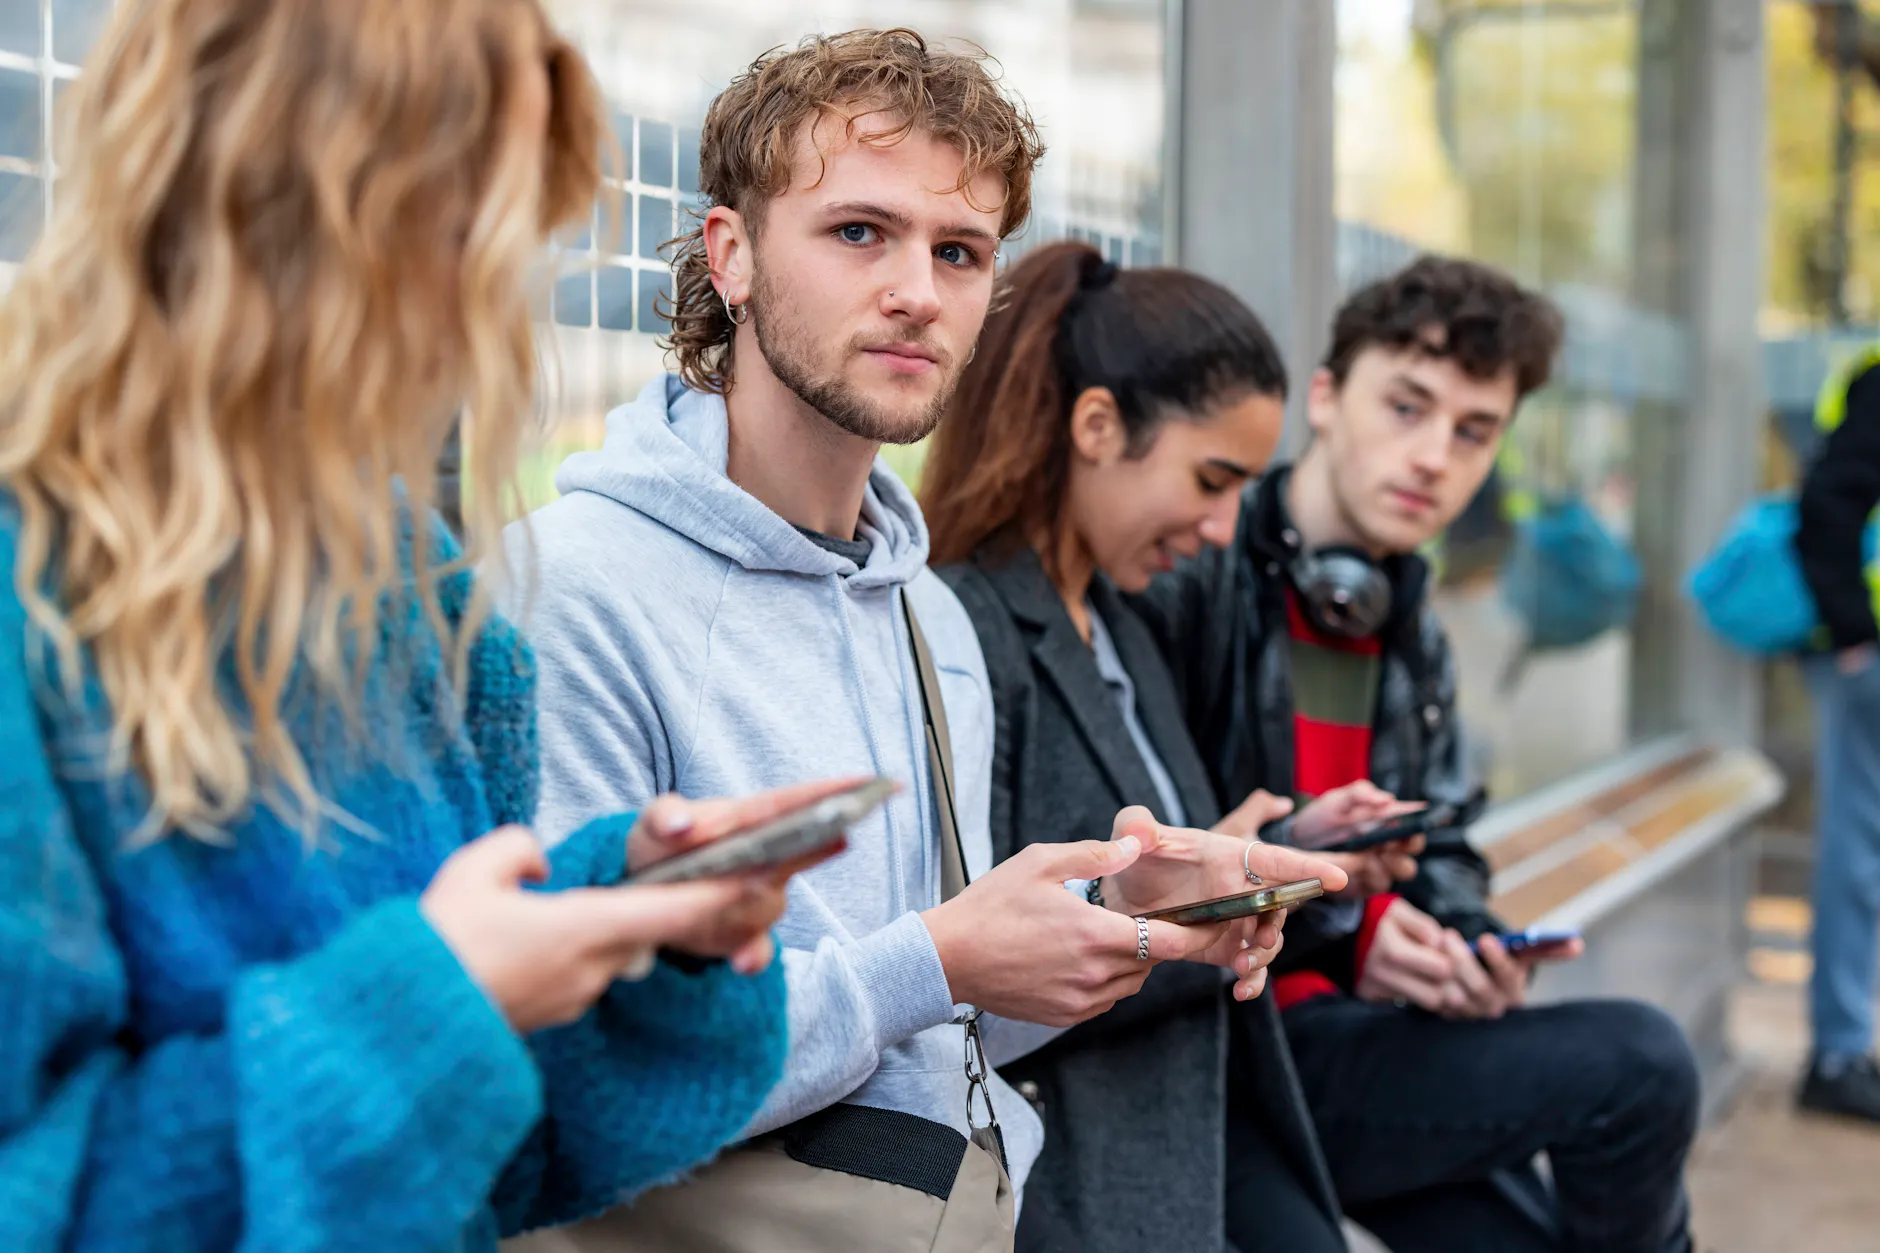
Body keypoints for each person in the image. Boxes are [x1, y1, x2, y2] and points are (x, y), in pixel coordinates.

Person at [0, 2, 822, 1248]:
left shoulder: (411, 592)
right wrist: (435, 1003)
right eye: (458, 231)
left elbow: (499, 1151)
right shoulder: (31, 588)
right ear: (275, 203)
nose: (488, 311)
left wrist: (627, 924)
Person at [506, 29, 1310, 1250]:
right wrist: (931, 961)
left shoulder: (930, 616)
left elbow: (936, 1029)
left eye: (957, 252)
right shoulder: (574, 590)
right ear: (730, 253)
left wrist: (1122, 914)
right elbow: (580, 1073)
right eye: (856, 231)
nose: (917, 293)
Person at [1135, 255, 1704, 1253]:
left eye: (1473, 430)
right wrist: (1349, 922)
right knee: (1644, 1064)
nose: (1434, 456)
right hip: (1229, 1045)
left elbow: (1441, 843)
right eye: (1406, 407)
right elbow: (1150, 850)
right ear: (1324, 397)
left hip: (1360, 1036)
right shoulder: (1194, 570)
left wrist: (1471, 949)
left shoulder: (1409, 624)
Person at [924, 240, 1406, 1253]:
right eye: (1211, 479)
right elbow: (976, 960)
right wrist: (1186, 903)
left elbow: (1147, 860)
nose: (1225, 527)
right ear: (1097, 425)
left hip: (1196, 1120)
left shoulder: (1123, 621)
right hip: (1076, 1164)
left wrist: (1262, 858)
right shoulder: (965, 625)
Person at [1795, 344, 1880, 1122]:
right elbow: (1827, 504)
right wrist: (1854, 633)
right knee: (1856, 855)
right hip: (1871, 660)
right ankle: (1839, 1052)